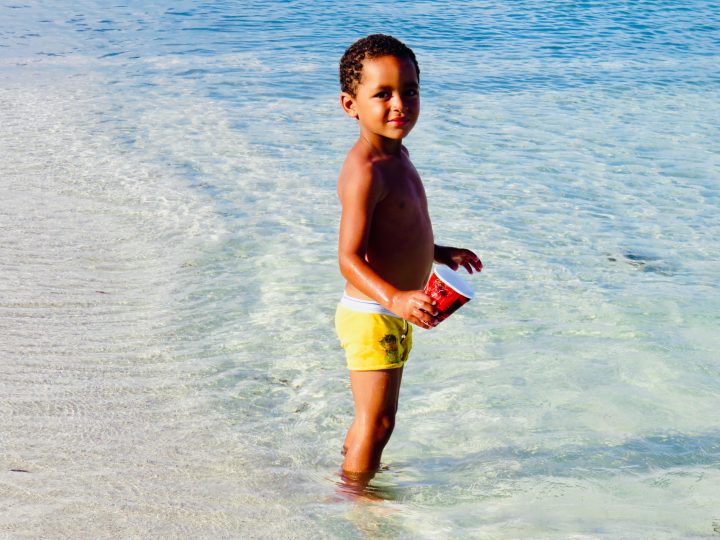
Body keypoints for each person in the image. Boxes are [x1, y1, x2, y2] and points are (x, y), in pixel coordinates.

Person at [335, 34, 482, 485]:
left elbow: (400, 229)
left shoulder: (399, 155)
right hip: (373, 313)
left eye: (410, 91)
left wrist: (439, 252)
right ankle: (354, 498)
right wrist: (395, 298)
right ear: (350, 104)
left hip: (395, 310)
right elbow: (348, 257)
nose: (400, 103)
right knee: (378, 422)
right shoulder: (366, 170)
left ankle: (352, 463)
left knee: (379, 417)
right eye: (382, 94)